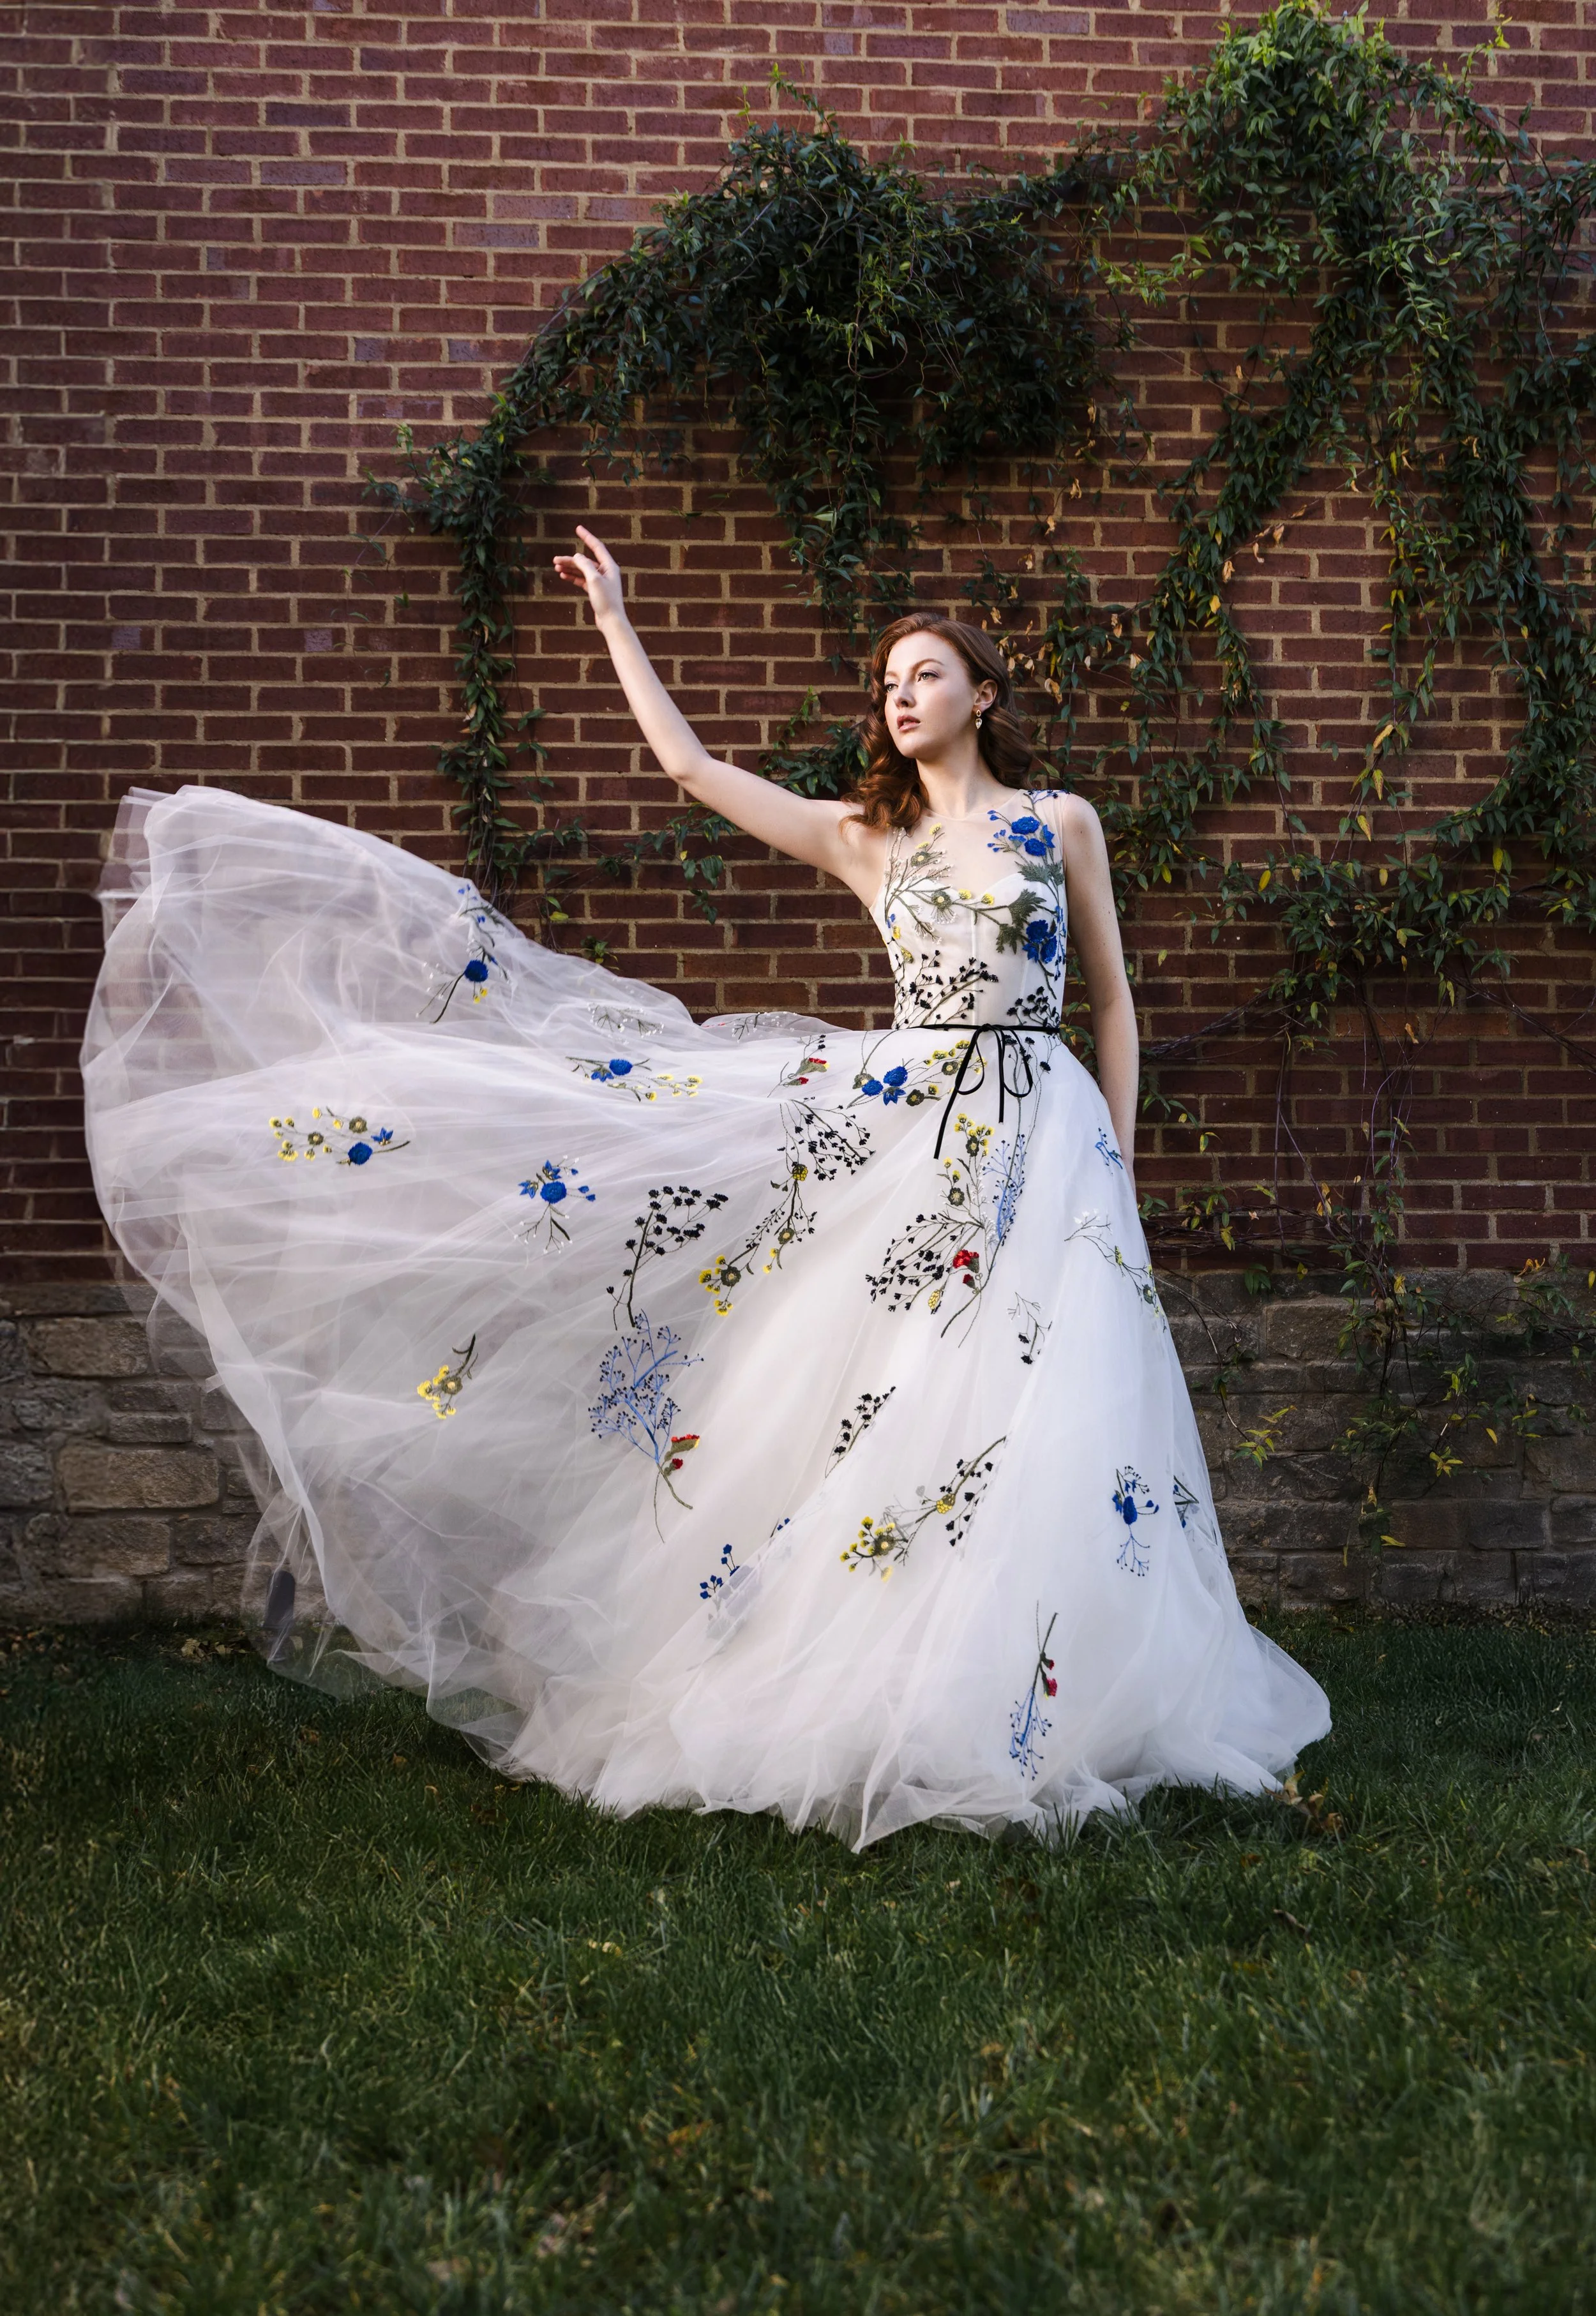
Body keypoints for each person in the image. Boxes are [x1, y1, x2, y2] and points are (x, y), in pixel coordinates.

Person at [82, 528, 1329, 1847]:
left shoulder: (1059, 821)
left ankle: (1056, 1696)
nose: (898, 696)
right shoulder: (869, 836)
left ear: (983, 696)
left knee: (1055, 1409)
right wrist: (616, 615)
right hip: (915, 1134)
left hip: (1049, 1133)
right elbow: (688, 766)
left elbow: (1116, 1002)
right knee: (894, 1404)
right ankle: (892, 1688)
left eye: (924, 675)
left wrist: (1119, 1165)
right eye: (886, 683)